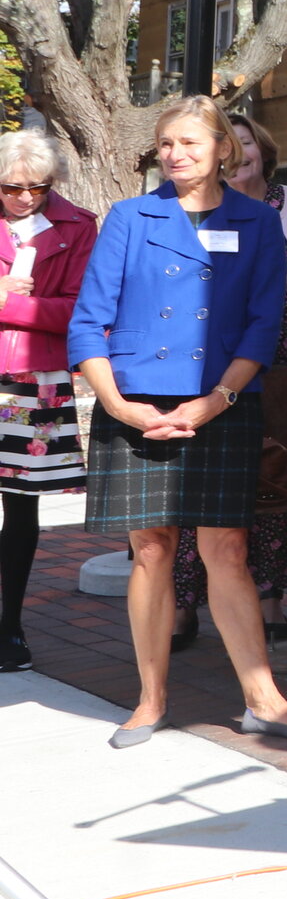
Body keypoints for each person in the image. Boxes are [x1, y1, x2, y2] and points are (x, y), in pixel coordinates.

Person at [67, 97, 287, 746]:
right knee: (151, 551)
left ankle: (263, 699)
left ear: (223, 149)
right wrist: (121, 405)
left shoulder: (258, 223)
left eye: (189, 142)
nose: (175, 153)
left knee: (228, 550)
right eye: (165, 143)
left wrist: (216, 400)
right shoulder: (130, 217)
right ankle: (149, 699)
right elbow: (86, 323)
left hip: (220, 404)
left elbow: (260, 325)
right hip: (135, 406)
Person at [168, 117, 287, 651]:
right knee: (201, 482)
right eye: (232, 143)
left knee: (282, 477)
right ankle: (183, 602)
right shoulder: (199, 205)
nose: (241, 153)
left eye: (249, 143)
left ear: (265, 152)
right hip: (214, 364)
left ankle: (269, 595)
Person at [0, 130, 98, 674]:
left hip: (35, 375)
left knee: (21, 504)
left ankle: (9, 623)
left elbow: (77, 309)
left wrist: (8, 304)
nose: (24, 198)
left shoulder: (78, 225)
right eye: (12, 187)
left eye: (38, 187)